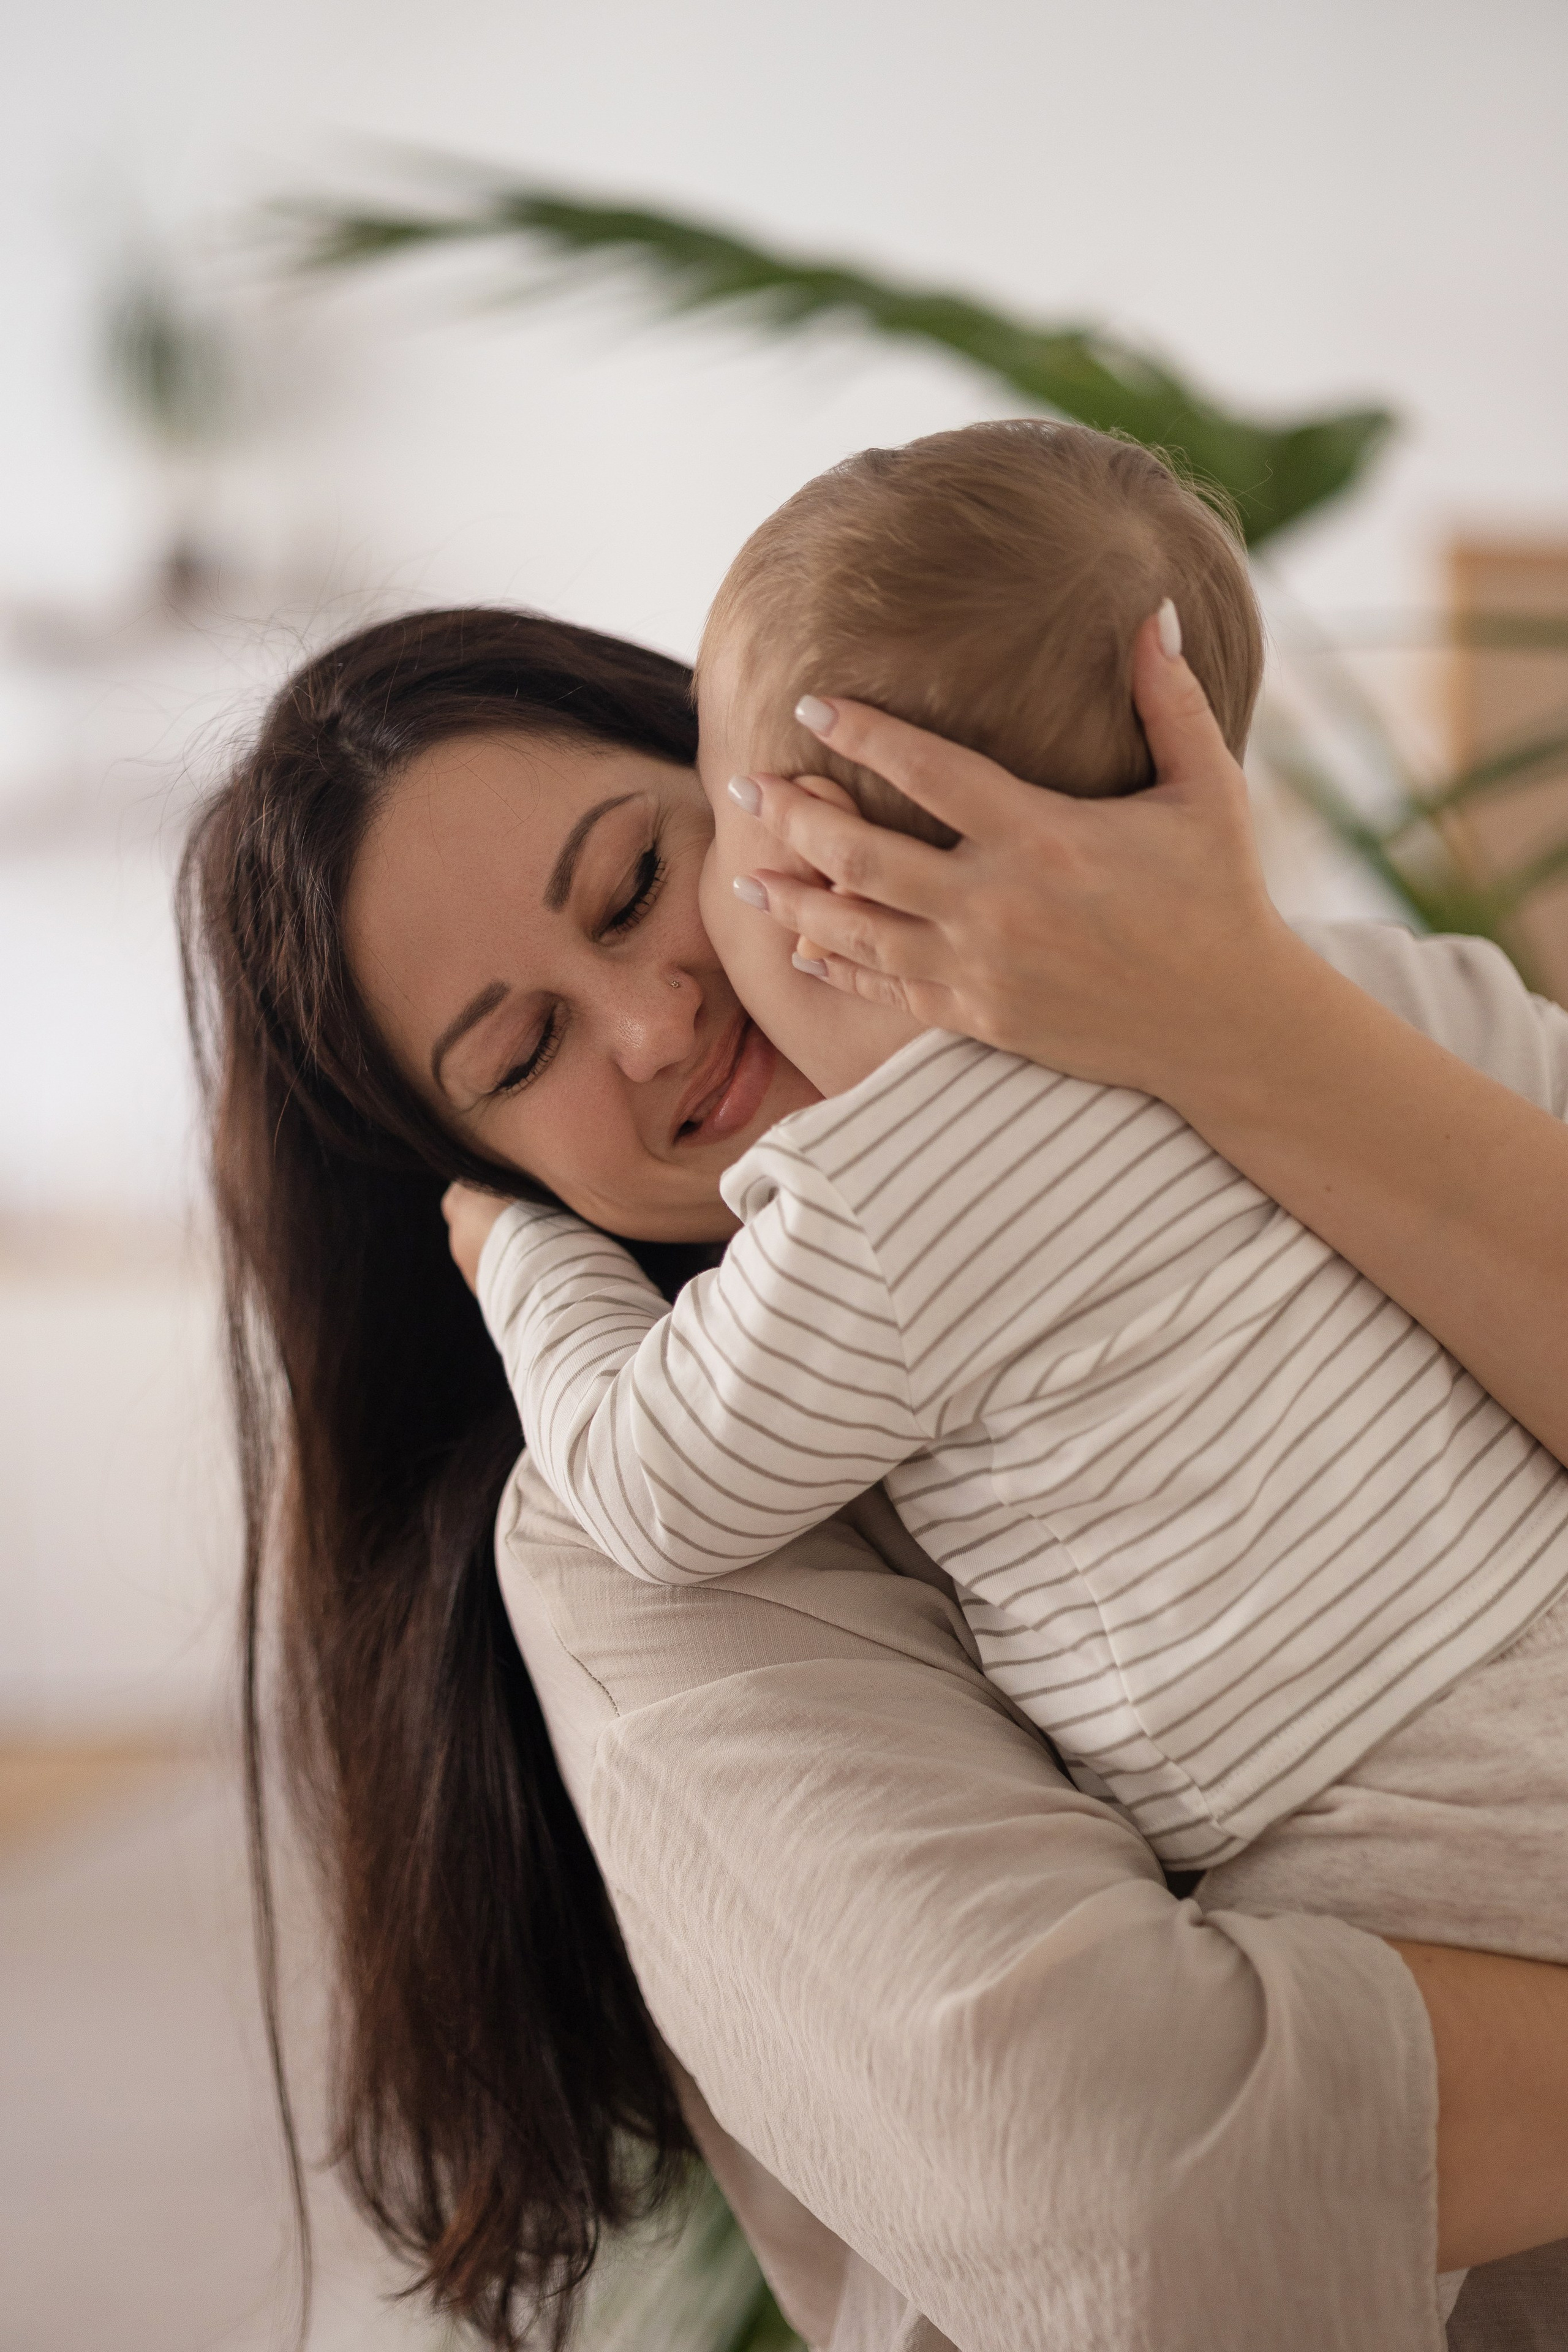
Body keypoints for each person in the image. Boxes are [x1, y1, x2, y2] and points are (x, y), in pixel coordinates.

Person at [181, 603, 1568, 2352]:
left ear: (768, 781)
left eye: (631, 889)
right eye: (519, 1055)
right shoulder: (639, 1550)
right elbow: (1126, 2173)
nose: (649, 1024)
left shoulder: (1348, 1008)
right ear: (483, 1177)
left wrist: (1251, 1028)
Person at [454, 426, 1568, 1992]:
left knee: (1293, 2150)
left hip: (1375, 1821)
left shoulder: (879, 1202)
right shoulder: (1364, 996)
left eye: (675, 857)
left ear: (821, 889)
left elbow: (651, 1488)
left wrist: (523, 1256)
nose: (654, 1020)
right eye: (517, 1051)